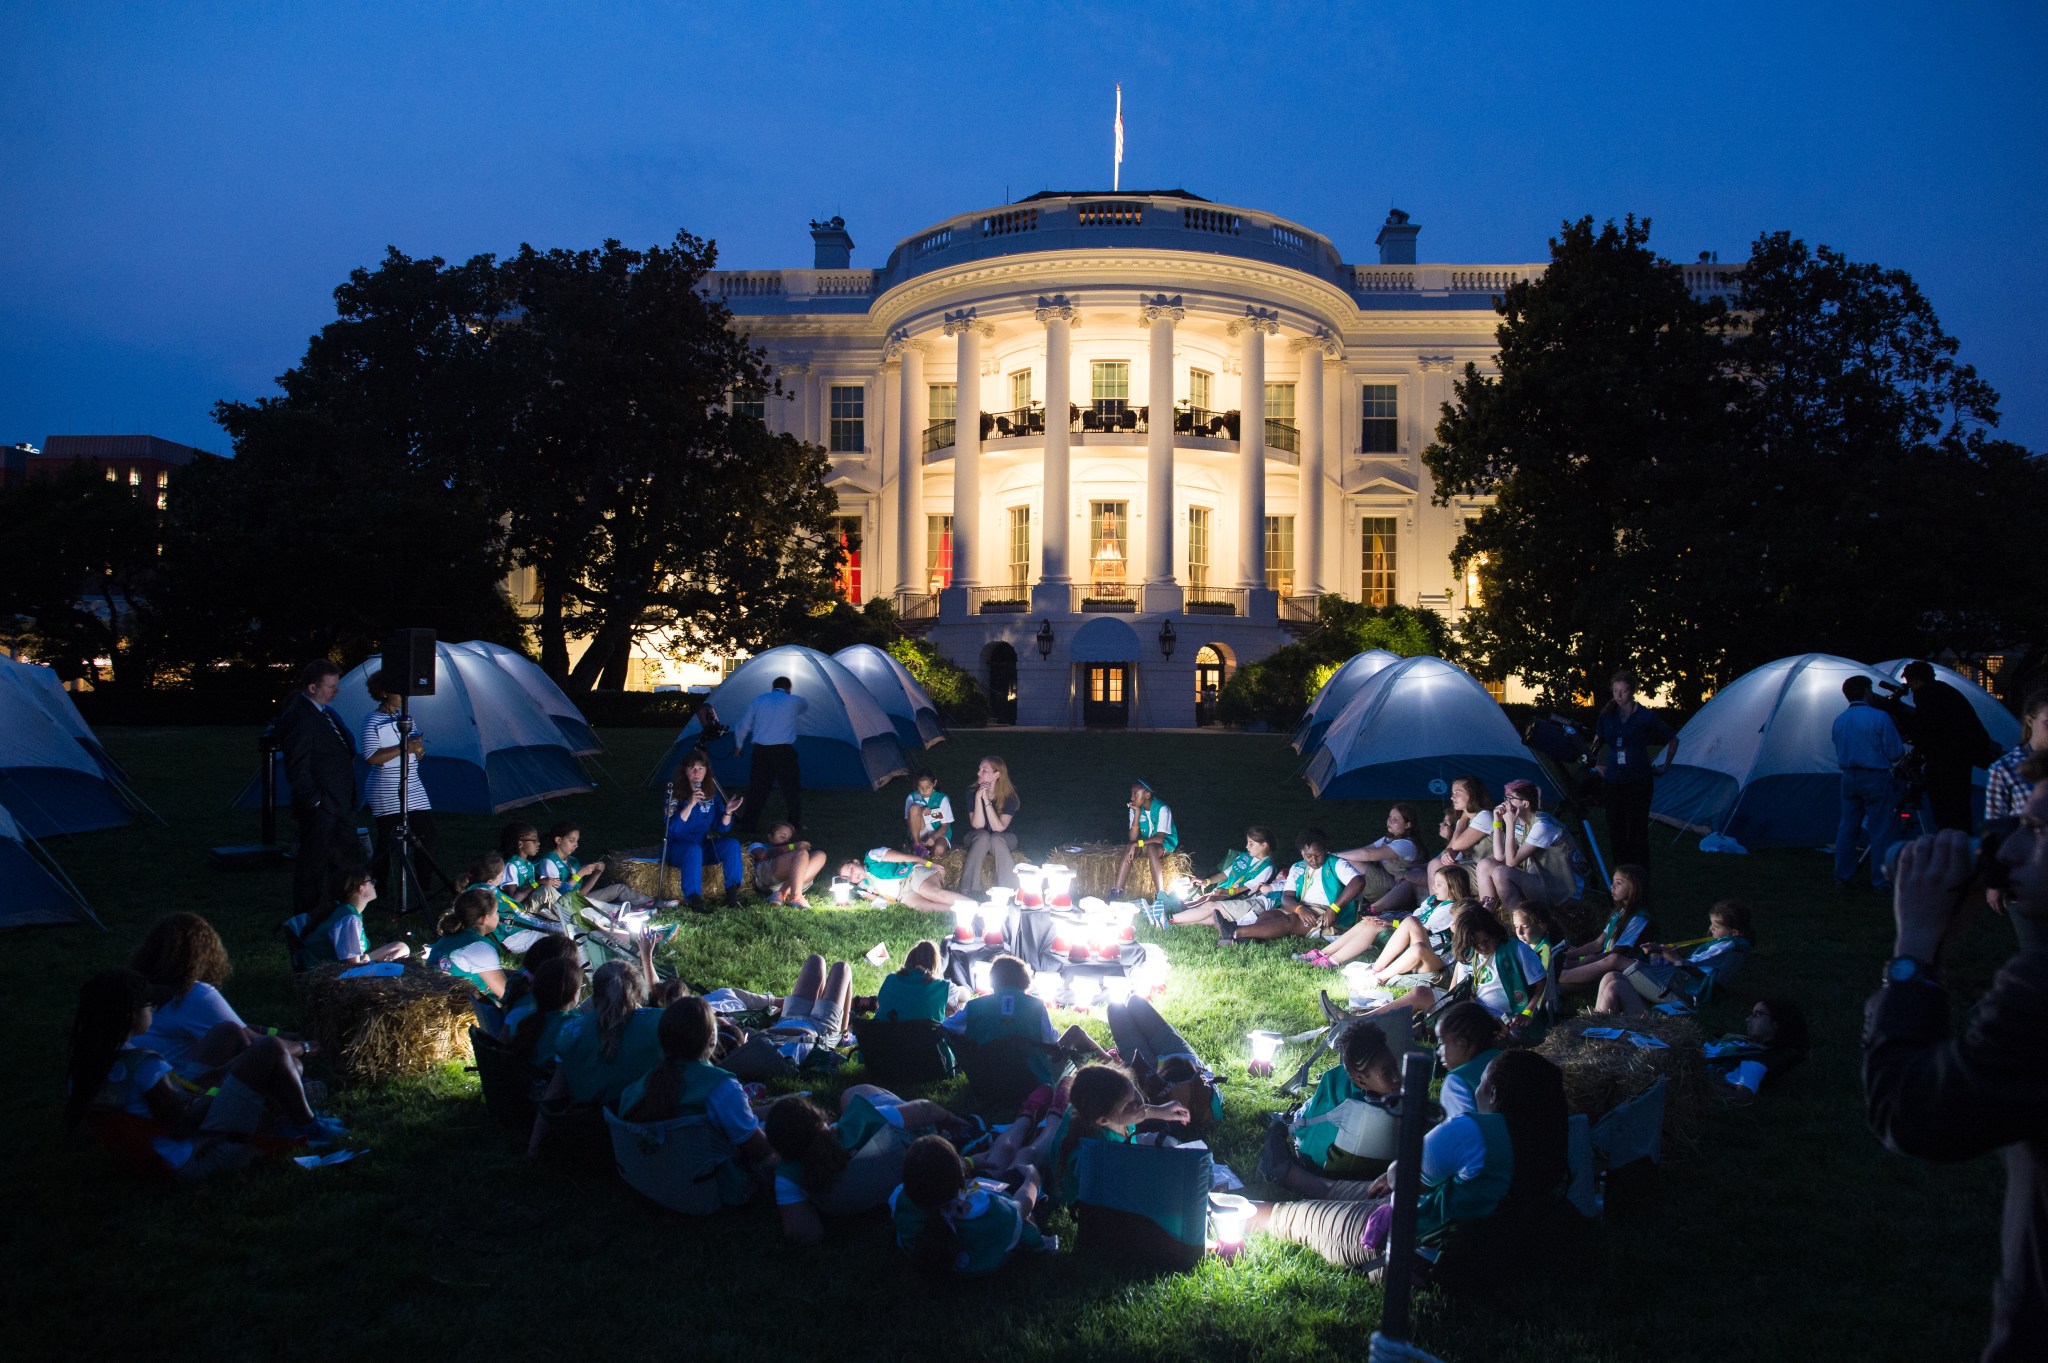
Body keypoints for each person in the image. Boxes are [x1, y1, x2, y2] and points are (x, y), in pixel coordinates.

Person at [1864, 770, 2048, 1363]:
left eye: (2038, 829)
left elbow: (1911, 1112)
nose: (2012, 847)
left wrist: (1916, 947)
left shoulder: (2038, 993)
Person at [1251, 1049, 1569, 1271]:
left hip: (1416, 1250)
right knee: (1368, 1190)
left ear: (1496, 1093)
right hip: (1479, 1247)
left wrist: (1393, 1173)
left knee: (1291, 1216)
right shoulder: (1549, 1141)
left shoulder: (1473, 1131)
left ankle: (1232, 1210)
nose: (1475, 1093)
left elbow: (1402, 1175)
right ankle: (1287, 1173)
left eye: (1482, 1084)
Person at [66, 969, 344, 1176]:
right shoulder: (144, 1065)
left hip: (158, 1141)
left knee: (226, 1032)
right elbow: (183, 1124)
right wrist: (226, 1089)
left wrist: (228, 1072)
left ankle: (284, 1098)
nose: (152, 1008)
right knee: (269, 1048)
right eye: (147, 1005)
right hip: (194, 1156)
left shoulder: (90, 1065)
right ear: (129, 1015)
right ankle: (309, 1125)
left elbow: (165, 1102)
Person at [131, 912, 311, 1080]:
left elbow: (241, 1027)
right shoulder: (194, 994)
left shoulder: (141, 990)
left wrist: (279, 1033)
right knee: (291, 1064)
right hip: (179, 1089)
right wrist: (308, 1046)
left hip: (136, 1084)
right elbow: (258, 1045)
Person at [768, 1086, 960, 1241]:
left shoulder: (789, 1178)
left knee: (851, 1098)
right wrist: (951, 1118)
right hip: (918, 1150)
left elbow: (806, 1233)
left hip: (884, 1185)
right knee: (852, 1093)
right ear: (817, 1117)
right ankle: (960, 1128)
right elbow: (925, 1109)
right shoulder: (859, 1124)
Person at [1255, 1017, 1406, 1196]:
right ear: (1361, 1080)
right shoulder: (1347, 1108)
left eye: (1395, 1068)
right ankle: (1279, 1131)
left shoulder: (1398, 1100)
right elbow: (1310, 1139)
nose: (1397, 1078)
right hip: (1319, 1155)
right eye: (1387, 1073)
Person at [891, 1133, 1055, 1273]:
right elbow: (1022, 1206)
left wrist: (969, 1162)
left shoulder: (901, 1201)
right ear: (960, 1179)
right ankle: (1053, 1117)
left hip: (970, 1194)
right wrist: (1032, 1177)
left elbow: (932, 1177)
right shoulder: (987, 1212)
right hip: (1008, 1212)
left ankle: (1025, 1117)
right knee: (1026, 1155)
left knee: (1000, 1153)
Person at [1032, 1064, 1190, 1208]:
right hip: (1078, 1204)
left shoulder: (1096, 1112)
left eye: (1134, 1092)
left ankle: (1055, 1111)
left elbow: (1137, 1109)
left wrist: (1162, 1111)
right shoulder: (1099, 1153)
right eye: (1127, 1105)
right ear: (1103, 1120)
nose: (1139, 1104)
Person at [274, 658, 358, 918]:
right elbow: (297, 765)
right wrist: (315, 800)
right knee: (314, 860)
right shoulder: (300, 717)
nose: (336, 690)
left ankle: (340, 906)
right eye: (331, 686)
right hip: (321, 804)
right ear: (312, 687)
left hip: (337, 801)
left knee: (344, 855)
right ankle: (305, 913)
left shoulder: (325, 713)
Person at [1585, 899, 1753, 1018]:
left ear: (1735, 932)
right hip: (1674, 981)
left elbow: (1696, 973)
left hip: (1682, 993)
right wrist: (1660, 953)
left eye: (1716, 927)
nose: (1711, 929)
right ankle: (1597, 1024)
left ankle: (1567, 978)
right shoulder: (1725, 945)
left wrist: (1670, 957)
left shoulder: (1728, 948)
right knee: (1611, 977)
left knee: (1617, 961)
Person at [1305, 864, 1476, 972]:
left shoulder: (1450, 909)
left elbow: (1420, 927)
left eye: (1439, 884)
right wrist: (1389, 922)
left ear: (1453, 889)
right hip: (1406, 932)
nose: (1433, 887)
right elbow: (1414, 918)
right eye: (1435, 882)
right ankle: (1322, 953)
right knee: (1369, 922)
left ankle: (1333, 961)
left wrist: (1390, 923)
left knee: (1374, 926)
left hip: (1424, 944)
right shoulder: (1433, 901)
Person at [359, 668, 435, 906]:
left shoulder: (407, 718)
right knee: (389, 839)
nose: (403, 696)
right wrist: (405, 747)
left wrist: (418, 749)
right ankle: (376, 889)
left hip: (413, 783)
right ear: (383, 693)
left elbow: (417, 753)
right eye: (397, 691)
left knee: (427, 835)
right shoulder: (371, 721)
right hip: (386, 785)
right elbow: (371, 756)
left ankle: (424, 888)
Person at [1590, 670, 1677, 872]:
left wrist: (1665, 766)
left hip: (1638, 778)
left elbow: (1672, 738)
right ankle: (1620, 869)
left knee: (1637, 826)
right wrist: (1594, 763)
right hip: (1614, 779)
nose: (1619, 695)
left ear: (1632, 692)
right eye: (1615, 691)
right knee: (1615, 825)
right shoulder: (1607, 716)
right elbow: (1597, 741)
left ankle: (1639, 870)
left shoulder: (1645, 717)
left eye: (1623, 691)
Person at [1899, 660, 1997, 834]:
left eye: (1910, 683)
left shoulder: (1926, 694)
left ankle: (1951, 843)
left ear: (1915, 681)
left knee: (1947, 808)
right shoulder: (1946, 691)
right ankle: (1963, 841)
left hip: (1946, 761)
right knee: (1960, 807)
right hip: (1961, 758)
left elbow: (1930, 727)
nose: (1910, 688)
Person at [1984, 690, 2046, 951]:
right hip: (2025, 874)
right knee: (2035, 952)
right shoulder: (2006, 768)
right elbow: (1995, 825)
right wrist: (1994, 881)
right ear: (2030, 721)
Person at [1834, 675, 1906, 892]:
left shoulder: (1840, 719)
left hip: (1848, 776)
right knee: (1881, 829)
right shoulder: (1879, 717)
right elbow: (1895, 753)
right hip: (1875, 776)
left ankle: (1843, 876)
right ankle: (1881, 880)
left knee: (1848, 827)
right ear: (1866, 691)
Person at [1233, 829, 1366, 943]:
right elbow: (1286, 897)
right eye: (1308, 856)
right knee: (1269, 915)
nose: (1313, 860)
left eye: (1318, 855)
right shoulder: (1298, 867)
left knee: (1290, 921)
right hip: (1302, 908)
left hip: (1325, 913)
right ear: (1302, 852)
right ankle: (1249, 937)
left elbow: (1358, 881)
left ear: (1325, 850)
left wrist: (1334, 908)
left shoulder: (1336, 864)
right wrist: (1299, 909)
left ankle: (1236, 931)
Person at [1473, 780, 1582, 911]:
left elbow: (1511, 862)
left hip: (1561, 889)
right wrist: (1497, 822)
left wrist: (1510, 824)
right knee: (1485, 864)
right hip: (1538, 878)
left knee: (1501, 872)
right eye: (1505, 798)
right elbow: (1500, 856)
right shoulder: (1522, 822)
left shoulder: (1542, 826)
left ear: (1525, 803)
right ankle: (1486, 911)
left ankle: (1517, 922)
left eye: (1510, 799)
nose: (1505, 803)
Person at [663, 749, 746, 912]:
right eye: (692, 767)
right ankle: (695, 901)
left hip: (702, 845)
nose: (696, 772)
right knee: (693, 850)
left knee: (732, 845)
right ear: (684, 770)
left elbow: (721, 827)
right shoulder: (673, 794)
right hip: (678, 847)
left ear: (706, 771)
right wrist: (691, 804)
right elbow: (672, 828)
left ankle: (732, 894)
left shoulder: (711, 795)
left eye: (701, 768)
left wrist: (728, 812)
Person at [288, 864, 411, 968]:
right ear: (361, 888)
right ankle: (387, 970)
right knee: (400, 950)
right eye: (370, 881)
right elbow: (352, 963)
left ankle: (387, 967)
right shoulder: (349, 918)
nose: (374, 884)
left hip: (336, 965)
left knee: (401, 947)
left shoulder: (345, 911)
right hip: (326, 969)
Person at [735, 675, 807, 837]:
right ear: (789, 688)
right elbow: (804, 707)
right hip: (784, 751)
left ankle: (749, 824)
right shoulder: (796, 701)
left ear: (772, 687)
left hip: (761, 751)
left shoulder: (758, 700)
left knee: (757, 790)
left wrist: (739, 745)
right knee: (791, 789)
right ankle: (795, 823)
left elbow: (743, 725)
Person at [1169, 825, 1279, 927]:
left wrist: (1226, 892)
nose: (1247, 846)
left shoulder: (1267, 868)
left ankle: (1179, 912)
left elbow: (1246, 890)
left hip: (1240, 897)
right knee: (1205, 897)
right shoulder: (1245, 857)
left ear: (1264, 845)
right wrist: (1206, 881)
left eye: (1251, 843)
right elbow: (1226, 874)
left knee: (1210, 899)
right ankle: (1181, 907)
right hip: (1226, 891)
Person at [539, 820, 649, 912]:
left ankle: (652, 904)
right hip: (565, 906)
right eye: (571, 840)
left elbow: (582, 893)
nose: (576, 844)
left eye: (577, 841)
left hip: (579, 900)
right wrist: (579, 874)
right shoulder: (549, 862)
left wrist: (596, 874)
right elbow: (557, 897)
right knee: (613, 908)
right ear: (558, 840)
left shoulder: (572, 861)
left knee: (620, 888)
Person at [1706, 998, 1808, 1094]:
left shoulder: (1756, 1060)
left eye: (1758, 1014)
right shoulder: (1742, 1041)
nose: (1747, 1019)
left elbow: (1742, 1095)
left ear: (1777, 1023)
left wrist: (1700, 1083)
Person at [838, 847, 982, 913]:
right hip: (903, 894)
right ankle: (966, 912)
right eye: (848, 877)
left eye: (850, 869)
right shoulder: (863, 887)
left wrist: (930, 864)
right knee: (926, 908)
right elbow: (883, 903)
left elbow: (905, 857)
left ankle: (978, 906)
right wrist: (873, 898)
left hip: (912, 874)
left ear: (856, 862)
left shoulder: (872, 857)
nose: (853, 875)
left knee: (932, 893)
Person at [428, 887, 511, 1001]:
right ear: (484, 919)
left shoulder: (450, 938)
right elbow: (506, 993)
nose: (498, 916)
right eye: (496, 912)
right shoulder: (478, 947)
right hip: (467, 1011)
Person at [1333, 804, 1422, 903]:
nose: (1390, 821)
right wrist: (1335, 855)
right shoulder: (1388, 839)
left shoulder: (1405, 845)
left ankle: (1345, 896)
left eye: (1395, 820)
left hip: (1399, 889)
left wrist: (1336, 855)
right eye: (1389, 817)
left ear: (1408, 825)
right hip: (1387, 879)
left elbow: (1368, 854)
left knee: (1351, 863)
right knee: (1348, 859)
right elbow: (1363, 850)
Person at [1433, 1001, 1507, 1120]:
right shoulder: (1510, 1060)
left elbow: (1462, 1131)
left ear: (1462, 1044)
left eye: (1442, 1042)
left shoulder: (1457, 1081)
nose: (1438, 1051)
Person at [960, 756, 1021, 894]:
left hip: (1004, 838)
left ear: (996, 775)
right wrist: (978, 797)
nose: (978, 773)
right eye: (979, 769)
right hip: (977, 837)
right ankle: (967, 892)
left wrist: (986, 801)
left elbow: (999, 828)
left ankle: (1011, 891)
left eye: (984, 770)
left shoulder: (1009, 797)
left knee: (995, 838)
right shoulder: (971, 792)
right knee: (983, 836)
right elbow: (978, 825)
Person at [1114, 780, 1178, 897]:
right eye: (1132, 794)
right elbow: (1132, 837)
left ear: (1147, 795)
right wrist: (1137, 813)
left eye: (1135, 794)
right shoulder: (1135, 809)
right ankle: (1117, 891)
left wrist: (1137, 844)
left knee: (1151, 849)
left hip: (1164, 843)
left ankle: (1160, 894)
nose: (1132, 798)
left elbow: (1159, 839)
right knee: (1130, 846)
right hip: (1145, 841)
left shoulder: (1163, 809)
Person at [747, 822, 827, 906]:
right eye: (782, 836)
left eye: (788, 838)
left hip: (794, 882)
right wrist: (792, 846)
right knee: (802, 853)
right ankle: (796, 896)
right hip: (767, 878)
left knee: (820, 855)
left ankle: (781, 892)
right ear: (770, 837)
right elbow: (762, 856)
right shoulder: (757, 845)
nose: (785, 840)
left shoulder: (791, 851)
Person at [875, 940, 954, 1023]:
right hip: (925, 1034)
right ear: (935, 964)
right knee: (955, 1005)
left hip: (885, 1033)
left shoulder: (890, 979)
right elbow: (965, 996)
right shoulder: (943, 986)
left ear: (909, 959)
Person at [904, 770, 954, 859]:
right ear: (917, 785)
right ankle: (917, 845)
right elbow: (908, 822)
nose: (924, 791)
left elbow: (945, 827)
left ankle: (930, 853)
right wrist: (920, 810)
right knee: (914, 808)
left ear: (934, 783)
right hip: (920, 831)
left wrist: (933, 837)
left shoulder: (942, 799)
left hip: (938, 833)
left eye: (928, 787)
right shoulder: (912, 797)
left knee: (939, 850)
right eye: (921, 788)